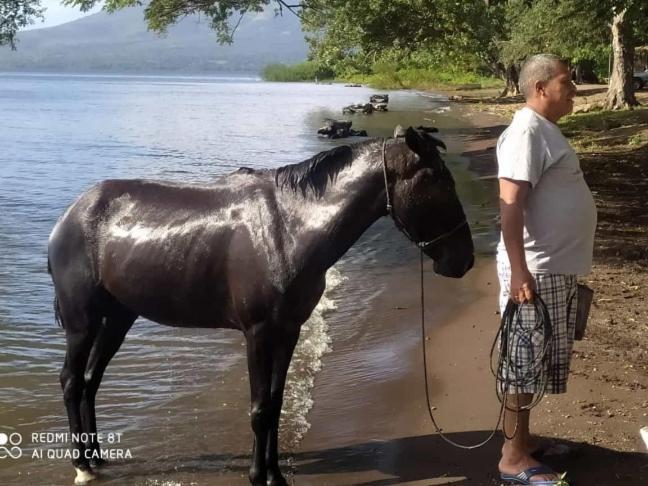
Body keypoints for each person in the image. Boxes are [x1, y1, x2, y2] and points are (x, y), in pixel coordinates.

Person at [496, 54, 597, 484]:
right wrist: (520, 271)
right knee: (523, 361)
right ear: (540, 88)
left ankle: (524, 440)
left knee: (535, 359)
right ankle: (514, 458)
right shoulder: (526, 131)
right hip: (535, 270)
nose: (574, 89)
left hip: (550, 267)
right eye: (566, 82)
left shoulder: (542, 130)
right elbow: (510, 204)